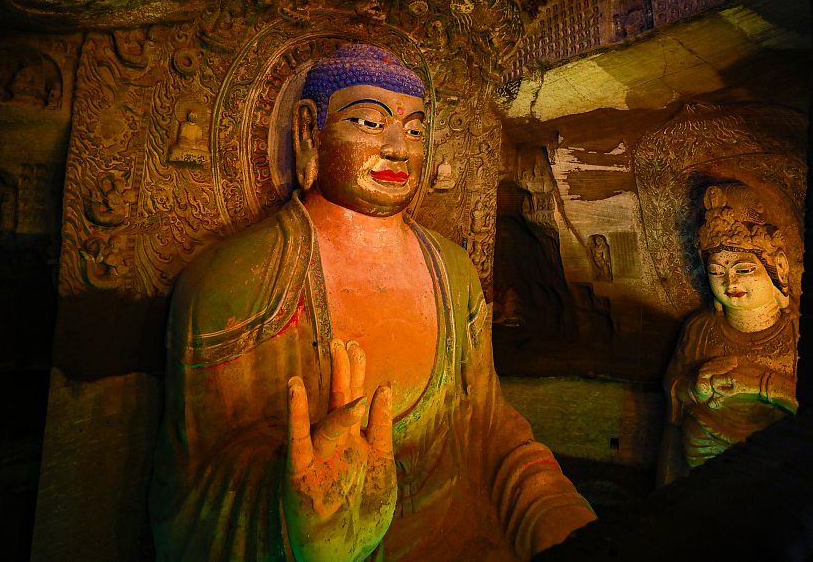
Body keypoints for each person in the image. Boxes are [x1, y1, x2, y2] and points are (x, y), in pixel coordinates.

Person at [150, 44, 595, 562]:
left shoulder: (454, 273)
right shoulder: (237, 281)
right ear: (306, 130)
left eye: (414, 130)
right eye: (368, 121)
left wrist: (556, 515)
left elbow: (489, 429)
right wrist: (303, 520)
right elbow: (192, 488)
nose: (398, 149)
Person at [658, 183, 798, 486]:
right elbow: (674, 392)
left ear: (779, 268)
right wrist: (695, 388)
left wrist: (760, 385)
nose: (730, 281)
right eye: (716, 272)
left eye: (745, 269)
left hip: (775, 457)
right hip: (703, 450)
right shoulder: (700, 328)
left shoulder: (800, 333)